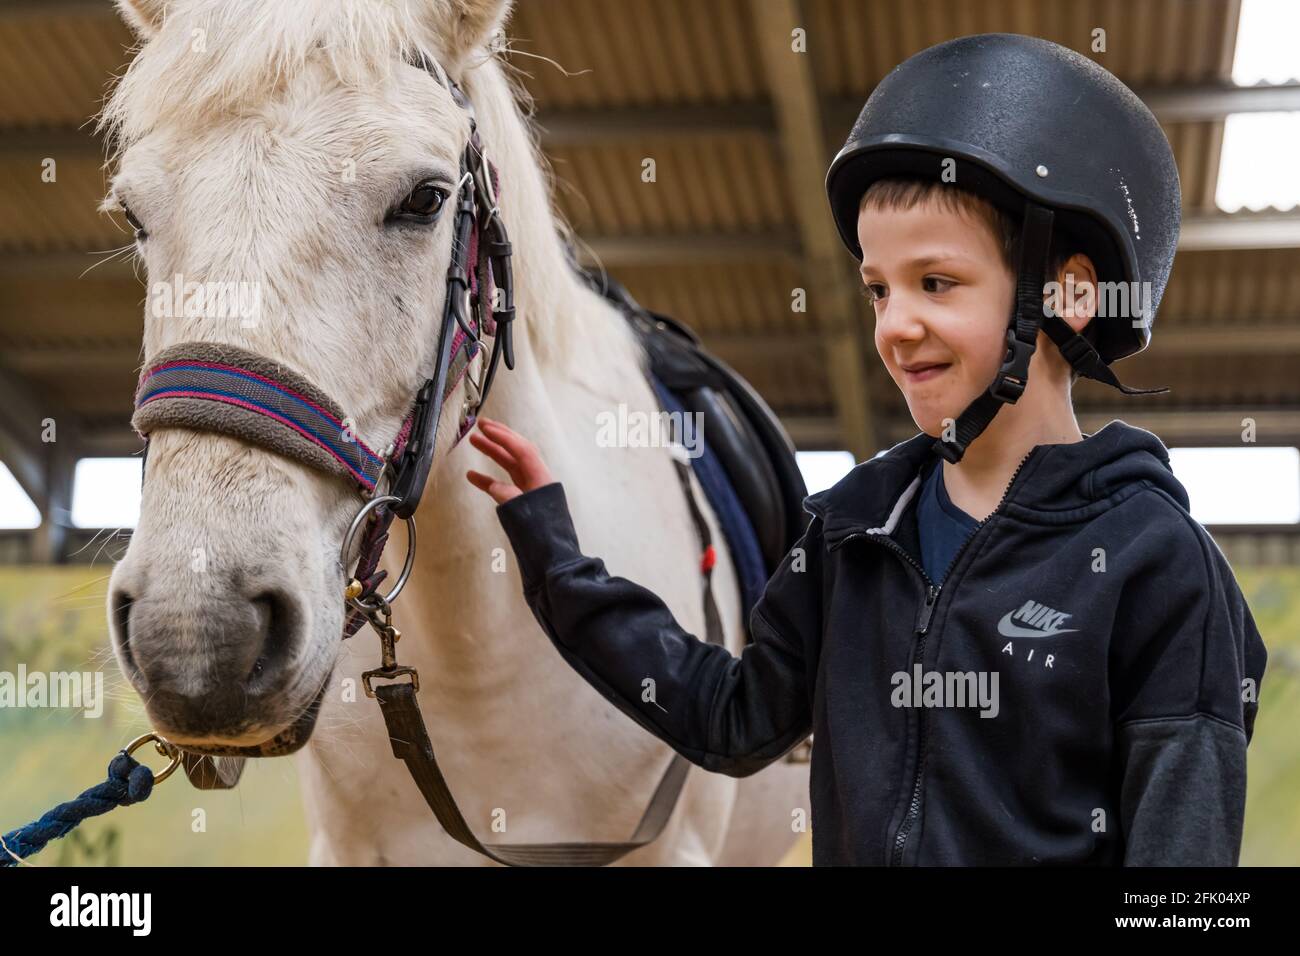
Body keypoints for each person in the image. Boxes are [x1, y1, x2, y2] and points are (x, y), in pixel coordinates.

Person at [465, 34, 1268, 866]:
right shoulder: (852, 536)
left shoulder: (1159, 565)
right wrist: (557, 556)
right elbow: (733, 720)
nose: (895, 325)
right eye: (879, 289)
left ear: (1065, 294)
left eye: (937, 283)